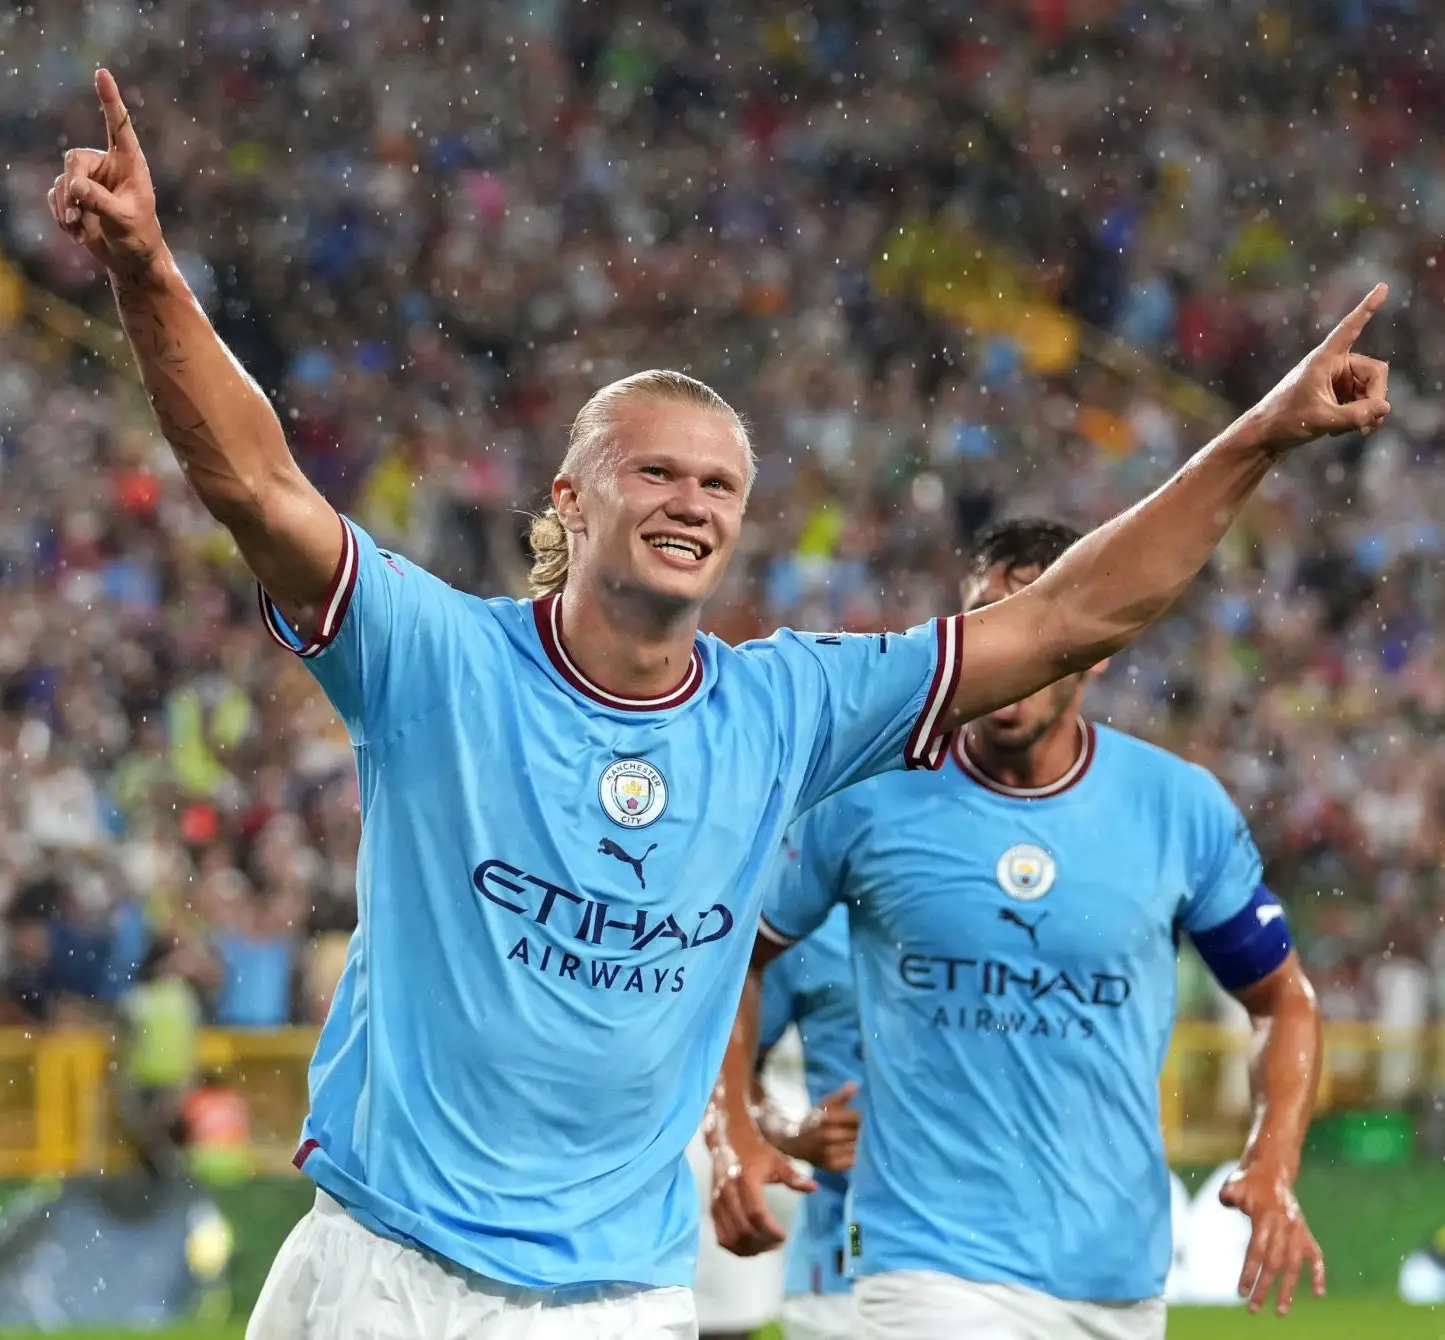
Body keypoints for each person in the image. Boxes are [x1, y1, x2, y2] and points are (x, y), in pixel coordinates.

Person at [50, 68, 1386, 1340]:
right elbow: (260, 489)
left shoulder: (789, 706)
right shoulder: (437, 660)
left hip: (618, 1296)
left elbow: (1070, 618)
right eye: (655, 473)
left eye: (718, 486)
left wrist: (1258, 431)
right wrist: (149, 271)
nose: (690, 502)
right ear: (570, 501)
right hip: (383, 1264)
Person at [709, 518, 1328, 1340]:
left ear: (1096, 646)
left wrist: (1271, 1157)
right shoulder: (866, 798)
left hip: (1117, 1272)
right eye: (990, 622)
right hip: (923, 1261)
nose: (1015, 654)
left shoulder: (1176, 807)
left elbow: (1282, 1001)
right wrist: (741, 1127)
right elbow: (727, 960)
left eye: (1040, 623)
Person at [745, 903, 862, 1340]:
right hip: (846, 1259)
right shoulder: (807, 929)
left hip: (1034, 1258)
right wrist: (786, 1132)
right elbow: (727, 1061)